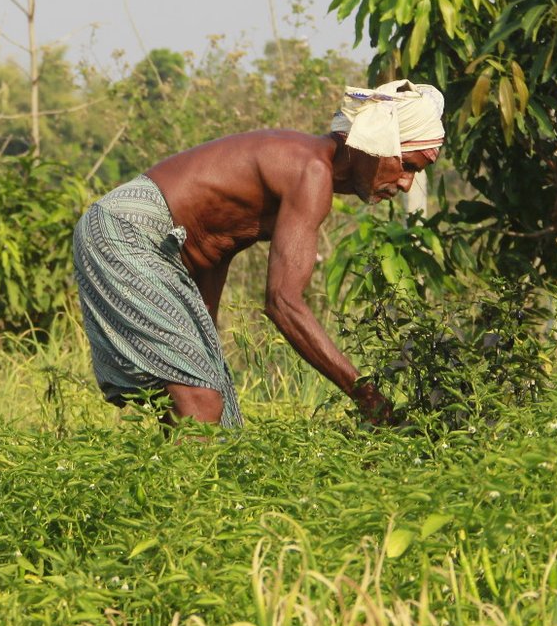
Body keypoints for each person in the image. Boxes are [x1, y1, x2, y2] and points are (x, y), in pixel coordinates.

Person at [72, 80, 446, 429]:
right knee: (202, 401)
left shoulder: (306, 167)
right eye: (407, 166)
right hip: (128, 229)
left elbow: (216, 249)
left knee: (214, 408)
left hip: (139, 238)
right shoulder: (311, 172)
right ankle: (183, 498)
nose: (405, 182)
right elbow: (283, 303)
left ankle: (181, 490)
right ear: (375, 146)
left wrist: (204, 346)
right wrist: (367, 395)